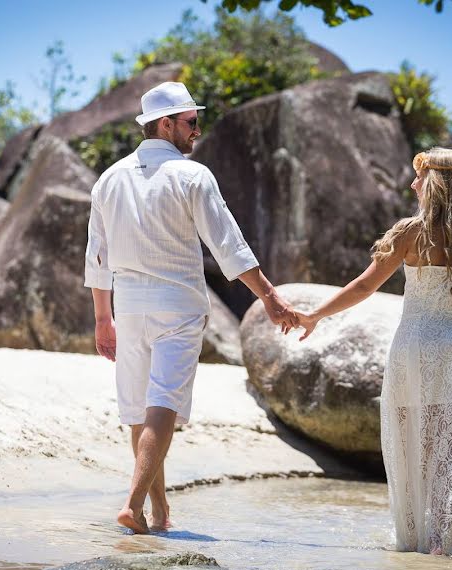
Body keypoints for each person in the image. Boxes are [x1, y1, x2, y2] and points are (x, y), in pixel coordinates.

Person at [295, 147, 452, 558]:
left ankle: (413, 539)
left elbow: (363, 286)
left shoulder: (412, 232)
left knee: (415, 441)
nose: (412, 184)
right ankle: (440, 542)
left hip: (414, 348)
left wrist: (316, 315)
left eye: (419, 176)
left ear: (437, 183)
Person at [84, 81, 298, 535]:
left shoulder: (109, 178)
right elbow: (228, 245)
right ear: (166, 124)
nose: (197, 131)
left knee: (140, 410)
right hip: (178, 305)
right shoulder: (192, 175)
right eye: (191, 122)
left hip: (130, 306)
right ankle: (132, 503)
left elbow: (96, 256)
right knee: (162, 404)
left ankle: (156, 515)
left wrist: (103, 319)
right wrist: (270, 296)